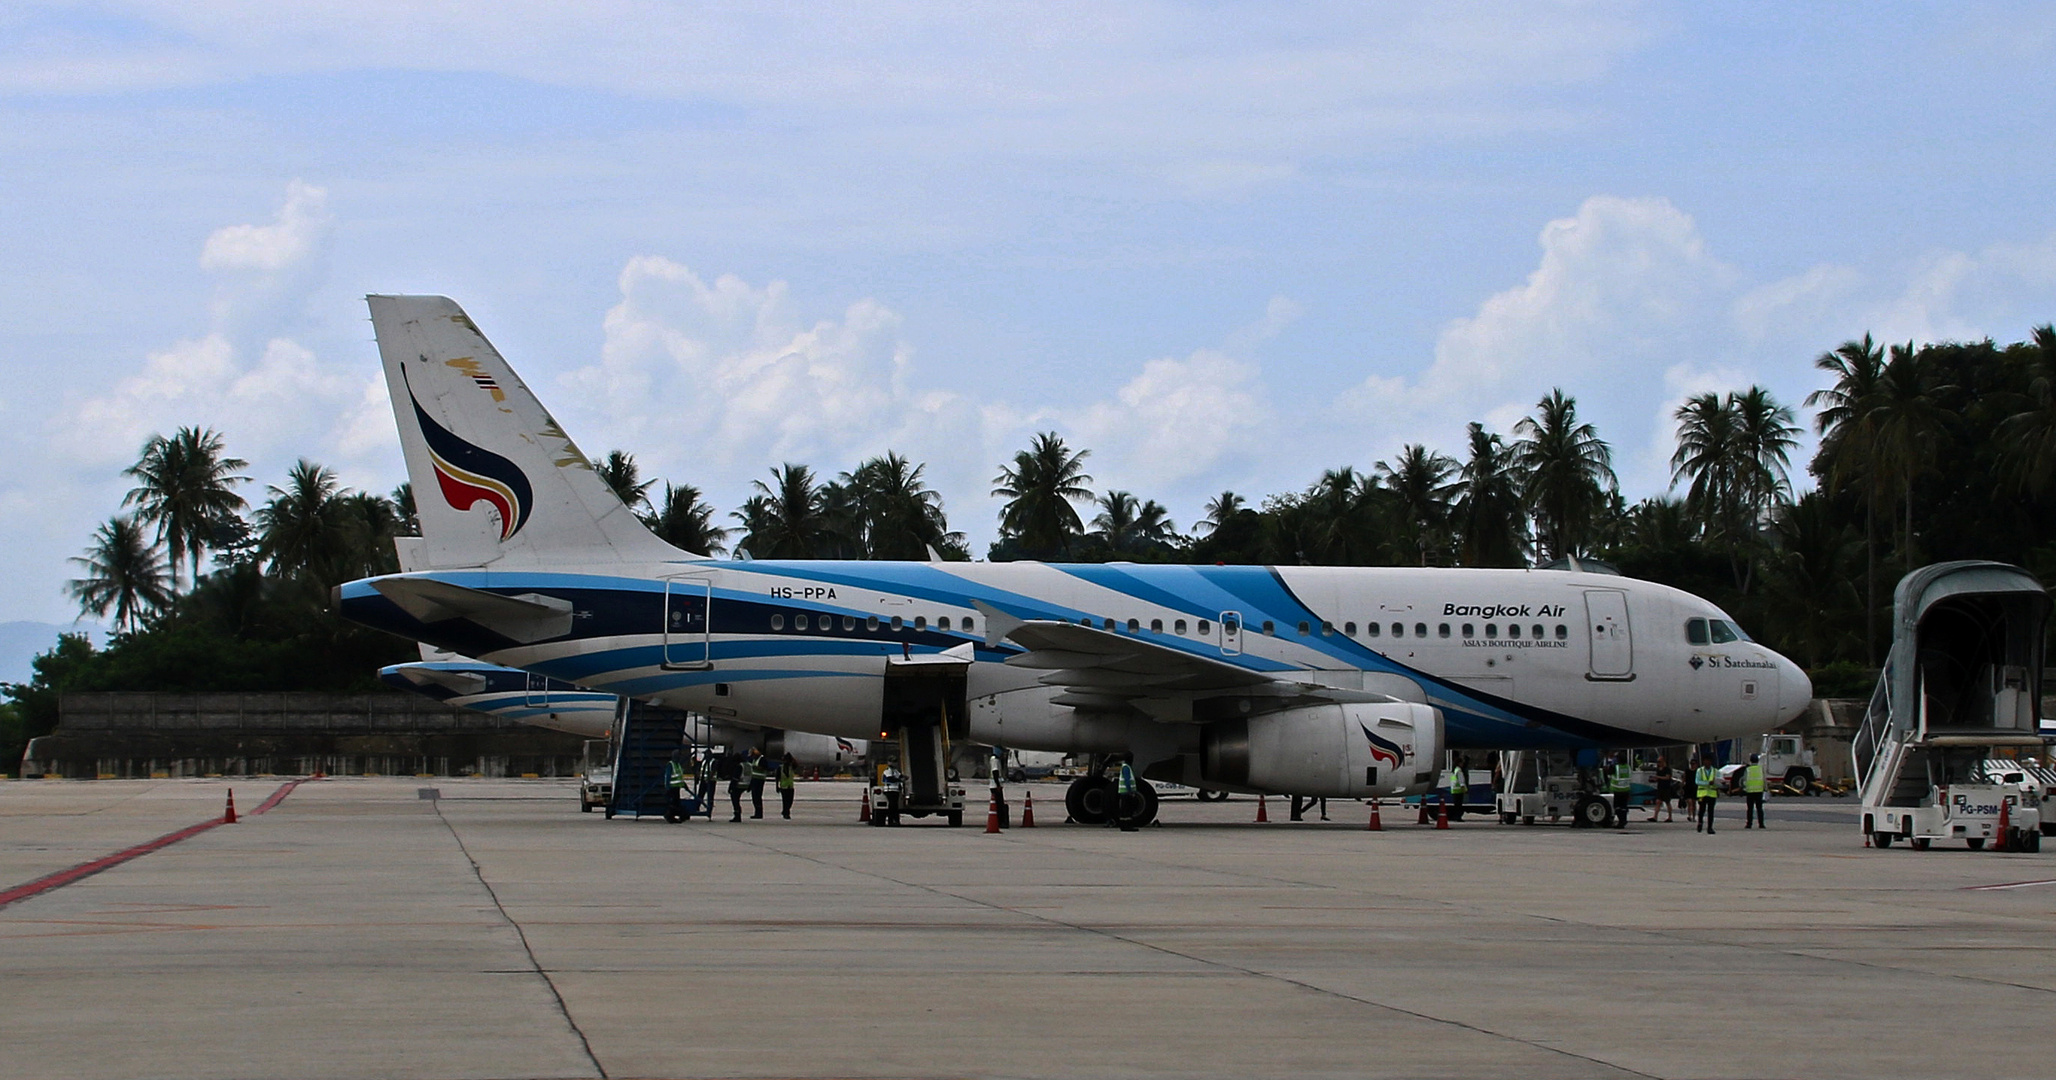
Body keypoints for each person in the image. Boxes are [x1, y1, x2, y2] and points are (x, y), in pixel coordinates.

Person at [1694, 753, 1720, 834]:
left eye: (1708, 761)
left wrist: (1717, 788)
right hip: (1702, 793)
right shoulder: (1700, 771)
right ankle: (1700, 822)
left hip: (1712, 793)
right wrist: (1708, 783)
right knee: (1702, 810)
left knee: (1711, 811)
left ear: (1711, 762)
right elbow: (1697, 781)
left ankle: (1710, 827)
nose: (1706, 762)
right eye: (1705, 761)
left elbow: (1719, 782)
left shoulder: (1716, 771)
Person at [1607, 754, 1633, 827]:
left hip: (1618, 790)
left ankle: (1621, 821)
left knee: (1617, 807)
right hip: (1626, 790)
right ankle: (1623, 820)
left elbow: (1608, 772)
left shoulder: (1616, 767)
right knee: (1624, 807)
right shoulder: (1628, 767)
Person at [665, 751, 692, 822]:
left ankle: (680, 816)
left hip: (677, 787)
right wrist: (667, 787)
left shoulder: (678, 765)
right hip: (672, 787)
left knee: (676, 803)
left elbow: (679, 777)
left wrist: (684, 784)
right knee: (673, 803)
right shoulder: (671, 765)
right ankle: (670, 817)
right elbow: (667, 777)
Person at [1742, 752, 1767, 829]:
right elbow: (1764, 779)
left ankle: (1749, 824)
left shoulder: (1748, 769)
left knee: (1750, 809)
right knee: (1759, 808)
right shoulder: (1761, 769)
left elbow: (1744, 780)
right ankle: (1761, 824)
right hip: (1759, 791)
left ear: (1750, 760)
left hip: (1750, 791)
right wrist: (1765, 788)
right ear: (1758, 760)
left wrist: (1744, 788)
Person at [1115, 759, 1140, 831]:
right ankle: (1127, 826)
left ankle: (1124, 826)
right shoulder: (1126, 768)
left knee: (1124, 810)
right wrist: (1130, 791)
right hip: (1126, 792)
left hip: (1124, 792)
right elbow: (1127, 780)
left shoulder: (1125, 767)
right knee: (1127, 811)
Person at [1651, 756, 1677, 822]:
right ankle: (1655, 816)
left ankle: (1670, 817)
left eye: (1659, 762)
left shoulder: (1667, 769)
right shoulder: (1658, 769)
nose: (1658, 763)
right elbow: (1658, 778)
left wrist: (1658, 777)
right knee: (1658, 802)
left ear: (1663, 762)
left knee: (1667, 802)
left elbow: (1667, 777)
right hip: (1660, 787)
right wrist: (1654, 779)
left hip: (1666, 788)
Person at [744, 747, 768, 819]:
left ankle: (759, 813)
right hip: (754, 779)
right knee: (754, 797)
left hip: (760, 780)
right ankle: (756, 812)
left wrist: (755, 767)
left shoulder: (762, 759)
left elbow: (765, 768)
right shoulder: (754, 759)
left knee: (757, 796)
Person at [1445, 755, 1468, 821]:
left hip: (1454, 790)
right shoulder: (1459, 771)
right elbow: (1461, 781)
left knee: (1456, 805)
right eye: (1462, 763)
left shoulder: (1454, 770)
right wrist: (1465, 789)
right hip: (1459, 790)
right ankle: (1458, 817)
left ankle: (1456, 816)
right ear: (1459, 763)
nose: (1462, 764)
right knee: (1459, 805)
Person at [776, 752, 798, 819]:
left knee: (790, 801)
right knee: (785, 801)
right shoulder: (780, 768)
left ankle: (785, 811)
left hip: (790, 786)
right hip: (784, 787)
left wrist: (791, 758)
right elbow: (777, 778)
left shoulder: (791, 767)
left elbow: (796, 764)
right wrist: (777, 786)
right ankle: (786, 813)